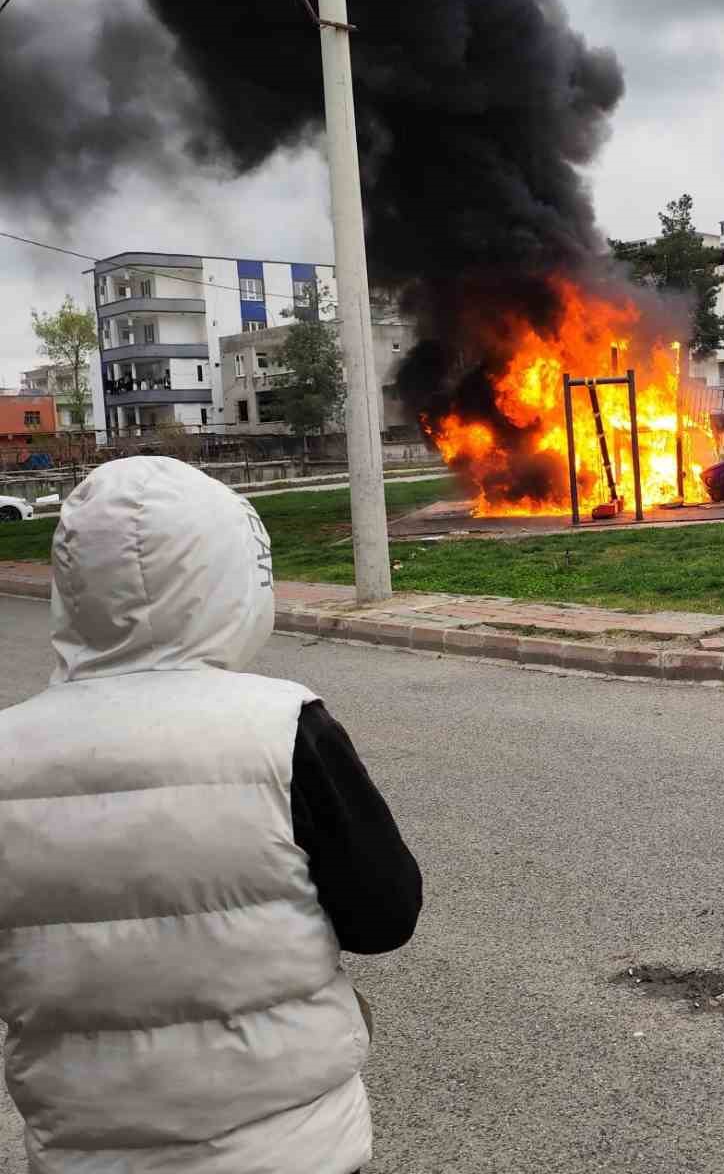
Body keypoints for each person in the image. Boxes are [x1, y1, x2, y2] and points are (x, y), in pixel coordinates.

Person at [0, 456, 422, 1174]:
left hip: (85, 1152)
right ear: (233, 581)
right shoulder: (286, 728)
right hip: (293, 1149)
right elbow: (384, 918)